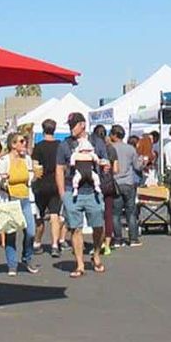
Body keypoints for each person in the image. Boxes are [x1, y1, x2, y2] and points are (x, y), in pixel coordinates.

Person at [56, 112, 107, 277]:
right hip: (73, 191)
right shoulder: (65, 145)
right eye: (70, 125)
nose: (71, 129)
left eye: (74, 125)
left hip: (93, 191)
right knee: (75, 229)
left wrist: (106, 167)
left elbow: (105, 162)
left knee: (98, 226)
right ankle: (79, 264)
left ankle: (96, 254)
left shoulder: (96, 142)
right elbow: (59, 168)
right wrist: (63, 193)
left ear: (83, 125)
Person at [0, 133, 40, 276]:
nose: (24, 143)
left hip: (25, 199)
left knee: (31, 232)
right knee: (11, 233)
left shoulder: (27, 159)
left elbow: (30, 176)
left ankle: (27, 257)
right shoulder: (4, 160)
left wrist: (34, 176)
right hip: (10, 199)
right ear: (13, 145)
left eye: (24, 141)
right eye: (21, 141)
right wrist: (2, 179)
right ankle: (12, 264)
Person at [31, 119, 65, 256]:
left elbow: (35, 167)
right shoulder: (60, 146)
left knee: (39, 216)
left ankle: (37, 242)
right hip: (56, 183)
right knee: (55, 215)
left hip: (41, 185)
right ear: (54, 130)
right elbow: (64, 165)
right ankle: (55, 244)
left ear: (43, 130)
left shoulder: (38, 147)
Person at [110, 123, 144, 246]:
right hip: (129, 183)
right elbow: (137, 167)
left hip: (115, 182)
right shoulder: (131, 149)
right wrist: (142, 162)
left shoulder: (110, 148)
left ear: (114, 135)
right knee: (131, 212)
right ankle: (133, 239)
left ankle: (118, 239)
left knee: (116, 213)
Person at [91, 123, 116, 252]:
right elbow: (116, 169)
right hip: (108, 183)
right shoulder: (111, 149)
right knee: (108, 214)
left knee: (97, 214)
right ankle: (107, 244)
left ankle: (98, 243)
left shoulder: (91, 147)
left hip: (96, 183)